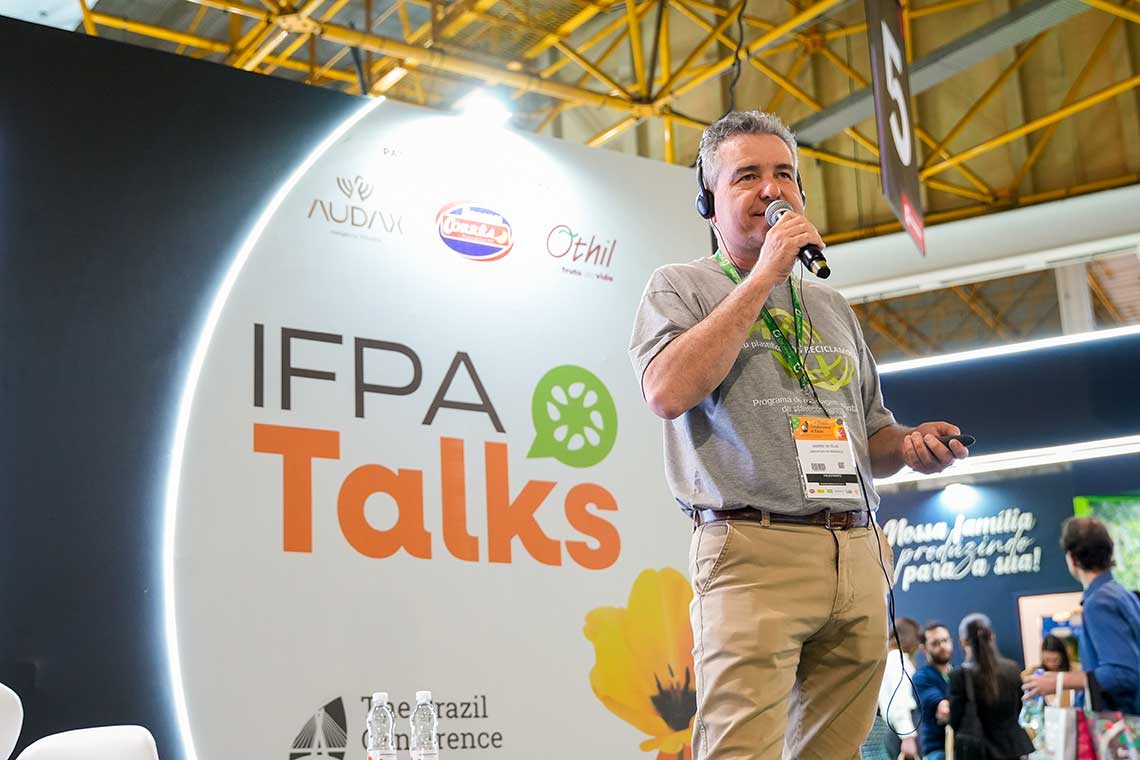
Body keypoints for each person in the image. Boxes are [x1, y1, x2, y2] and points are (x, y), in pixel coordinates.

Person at [627, 110, 969, 760]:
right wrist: (763, 277)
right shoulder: (680, 286)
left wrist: (911, 445)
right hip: (753, 556)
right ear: (709, 202)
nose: (770, 189)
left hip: (857, 552)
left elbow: (872, 435)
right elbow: (666, 390)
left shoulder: (832, 308)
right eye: (747, 176)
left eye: (784, 174)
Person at [1023, 517, 1140, 713]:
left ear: (1072, 557)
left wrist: (1061, 680)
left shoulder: (1099, 602)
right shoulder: (1123, 595)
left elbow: (1123, 673)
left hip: (1122, 728)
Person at [949, 614, 1034, 760]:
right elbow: (1017, 708)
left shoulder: (960, 676)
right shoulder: (1012, 669)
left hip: (978, 751)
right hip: (1012, 748)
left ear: (963, 642)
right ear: (992, 636)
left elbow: (955, 720)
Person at [876, 617, 921, 759]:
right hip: (902, 731)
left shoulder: (890, 658)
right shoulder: (897, 659)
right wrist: (907, 736)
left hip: (896, 729)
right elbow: (899, 701)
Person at [913, 621, 954, 760]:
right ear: (923, 648)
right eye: (935, 643)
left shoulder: (957, 674)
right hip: (937, 749)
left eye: (945, 640)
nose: (942, 646)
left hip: (961, 745)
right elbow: (944, 711)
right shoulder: (921, 677)